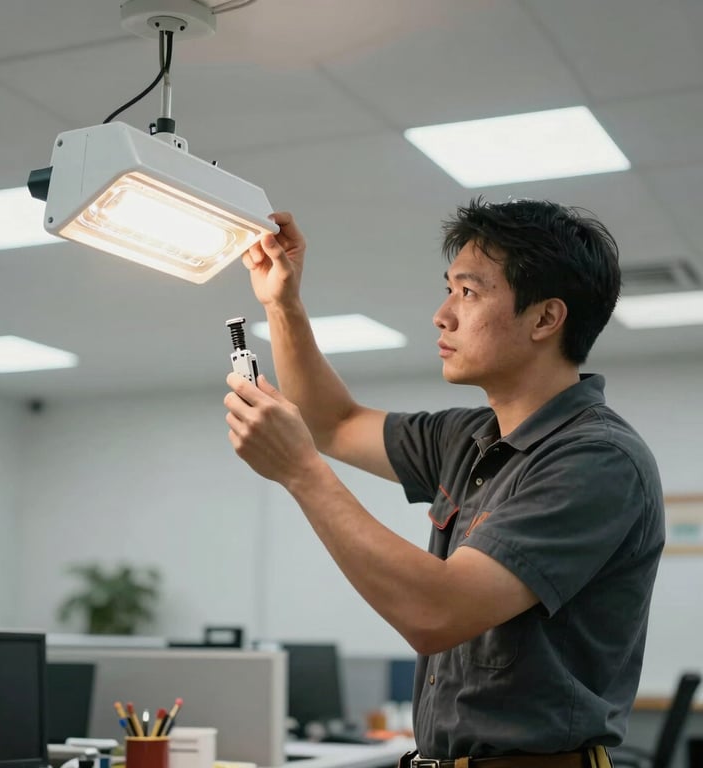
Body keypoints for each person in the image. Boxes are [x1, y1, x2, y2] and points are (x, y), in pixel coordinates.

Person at [223, 198, 665, 766]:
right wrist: (282, 302)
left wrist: (302, 474)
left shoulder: (596, 458)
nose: (442, 314)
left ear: (545, 319)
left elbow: (438, 613)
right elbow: (331, 422)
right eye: (449, 289)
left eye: (468, 292)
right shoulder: (469, 437)